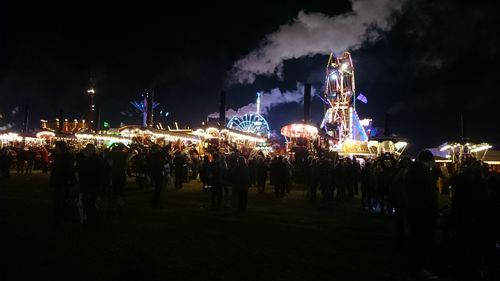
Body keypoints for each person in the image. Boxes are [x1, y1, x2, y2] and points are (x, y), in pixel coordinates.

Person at [405, 150, 439, 279]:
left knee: (415, 239)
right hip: (424, 213)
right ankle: (419, 267)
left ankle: (413, 265)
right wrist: (434, 212)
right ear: (429, 161)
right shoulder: (424, 174)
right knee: (422, 241)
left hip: (413, 210)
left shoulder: (410, 172)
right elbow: (430, 196)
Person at [76, 144, 105, 226]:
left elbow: (91, 171)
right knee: (87, 202)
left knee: (90, 203)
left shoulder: (94, 160)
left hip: (91, 184)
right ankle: (89, 219)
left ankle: (91, 220)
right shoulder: (90, 159)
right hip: (88, 183)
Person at [51, 141, 76, 224]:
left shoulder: (65, 157)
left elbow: (69, 170)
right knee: (60, 200)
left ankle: (63, 216)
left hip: (63, 181)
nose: (55, 148)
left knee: (63, 199)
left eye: (56, 147)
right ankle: (61, 215)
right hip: (60, 181)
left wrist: (71, 180)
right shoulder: (62, 156)